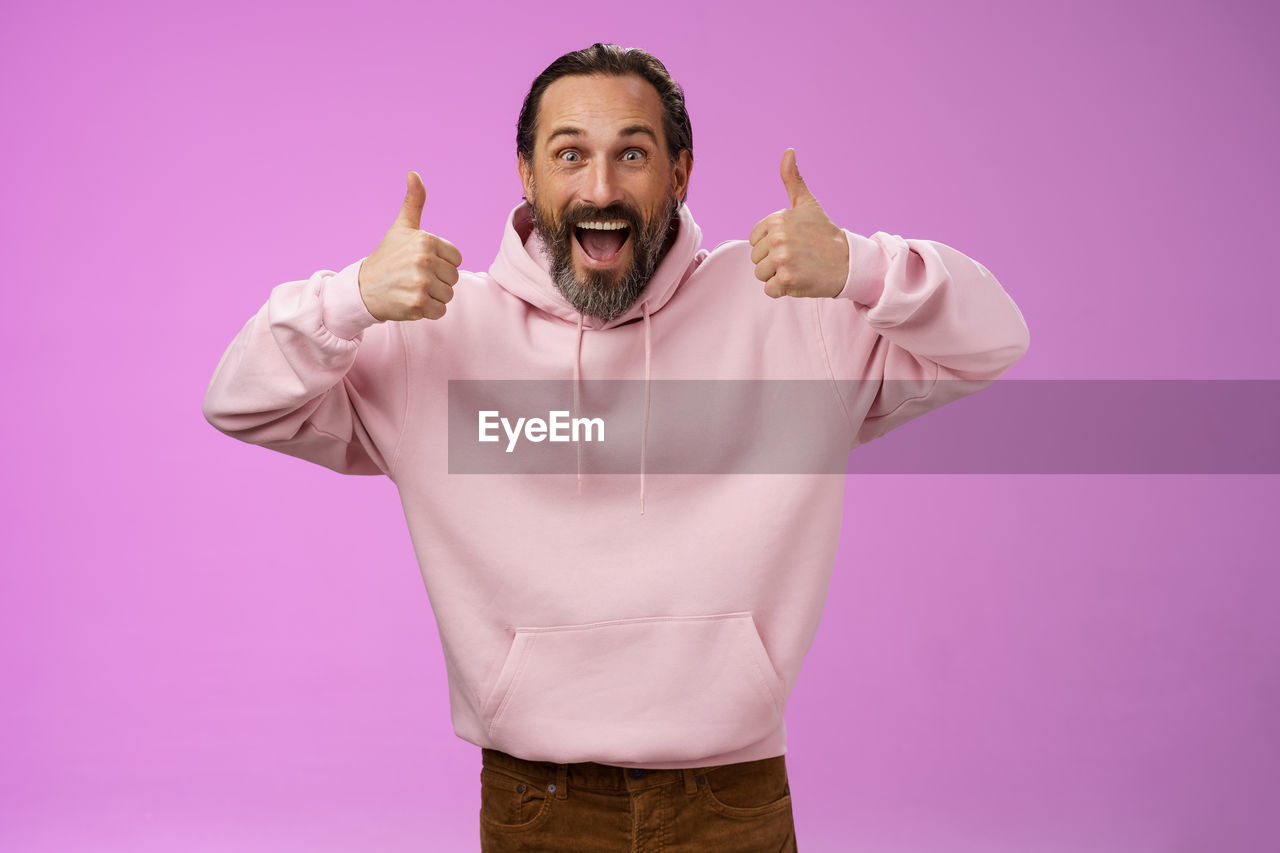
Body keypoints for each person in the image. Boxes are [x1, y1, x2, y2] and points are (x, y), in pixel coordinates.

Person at [203, 42, 1029, 853]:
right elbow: (240, 402)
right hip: (540, 796)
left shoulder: (792, 308)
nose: (601, 187)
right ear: (528, 175)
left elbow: (994, 339)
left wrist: (861, 266)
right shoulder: (434, 334)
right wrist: (350, 299)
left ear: (680, 173)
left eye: (632, 154)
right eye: (571, 155)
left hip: (730, 795)